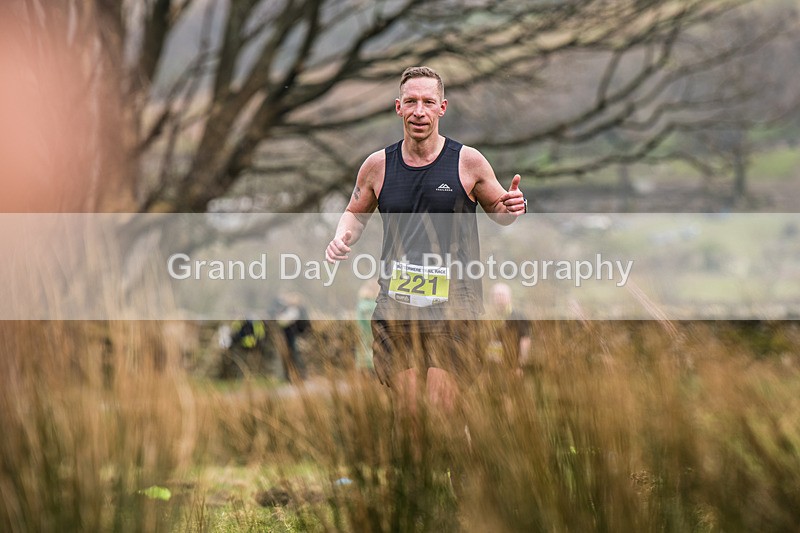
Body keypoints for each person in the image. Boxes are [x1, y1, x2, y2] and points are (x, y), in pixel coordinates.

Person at [325, 66, 527, 411]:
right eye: (411, 101)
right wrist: (341, 237)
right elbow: (354, 213)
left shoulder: (468, 162)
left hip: (454, 302)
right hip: (396, 303)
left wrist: (512, 206)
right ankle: (421, 463)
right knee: (410, 413)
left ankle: (458, 453)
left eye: (428, 102)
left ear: (442, 108)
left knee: (439, 406)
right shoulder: (377, 166)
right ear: (398, 107)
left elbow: (500, 211)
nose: (420, 111)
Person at [485, 283, 532, 375]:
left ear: (509, 298)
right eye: (495, 296)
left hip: (511, 368)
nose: (499, 299)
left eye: (502, 296)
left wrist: (519, 366)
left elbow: (525, 341)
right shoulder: (488, 318)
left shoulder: (518, 317)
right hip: (490, 368)